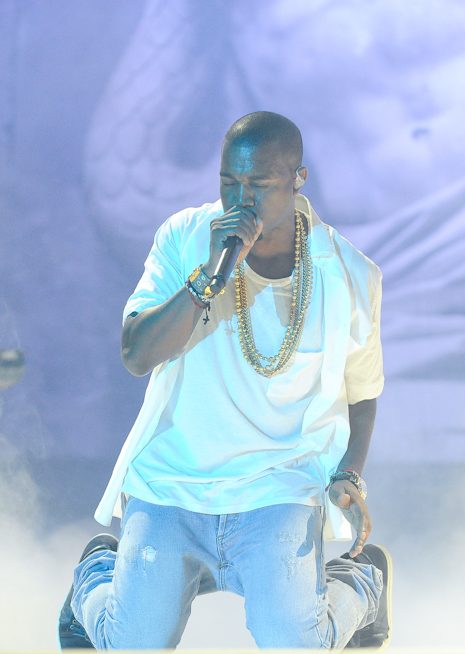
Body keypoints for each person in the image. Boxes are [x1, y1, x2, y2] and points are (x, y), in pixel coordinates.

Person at [59, 111, 392, 650]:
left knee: (297, 643)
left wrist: (349, 474)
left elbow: (363, 392)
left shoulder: (349, 273)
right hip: (173, 482)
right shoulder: (185, 238)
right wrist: (208, 278)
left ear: (297, 179)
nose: (240, 200)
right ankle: (99, 569)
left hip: (277, 488)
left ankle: (361, 579)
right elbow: (136, 354)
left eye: (259, 184)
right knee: (131, 643)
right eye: (228, 182)